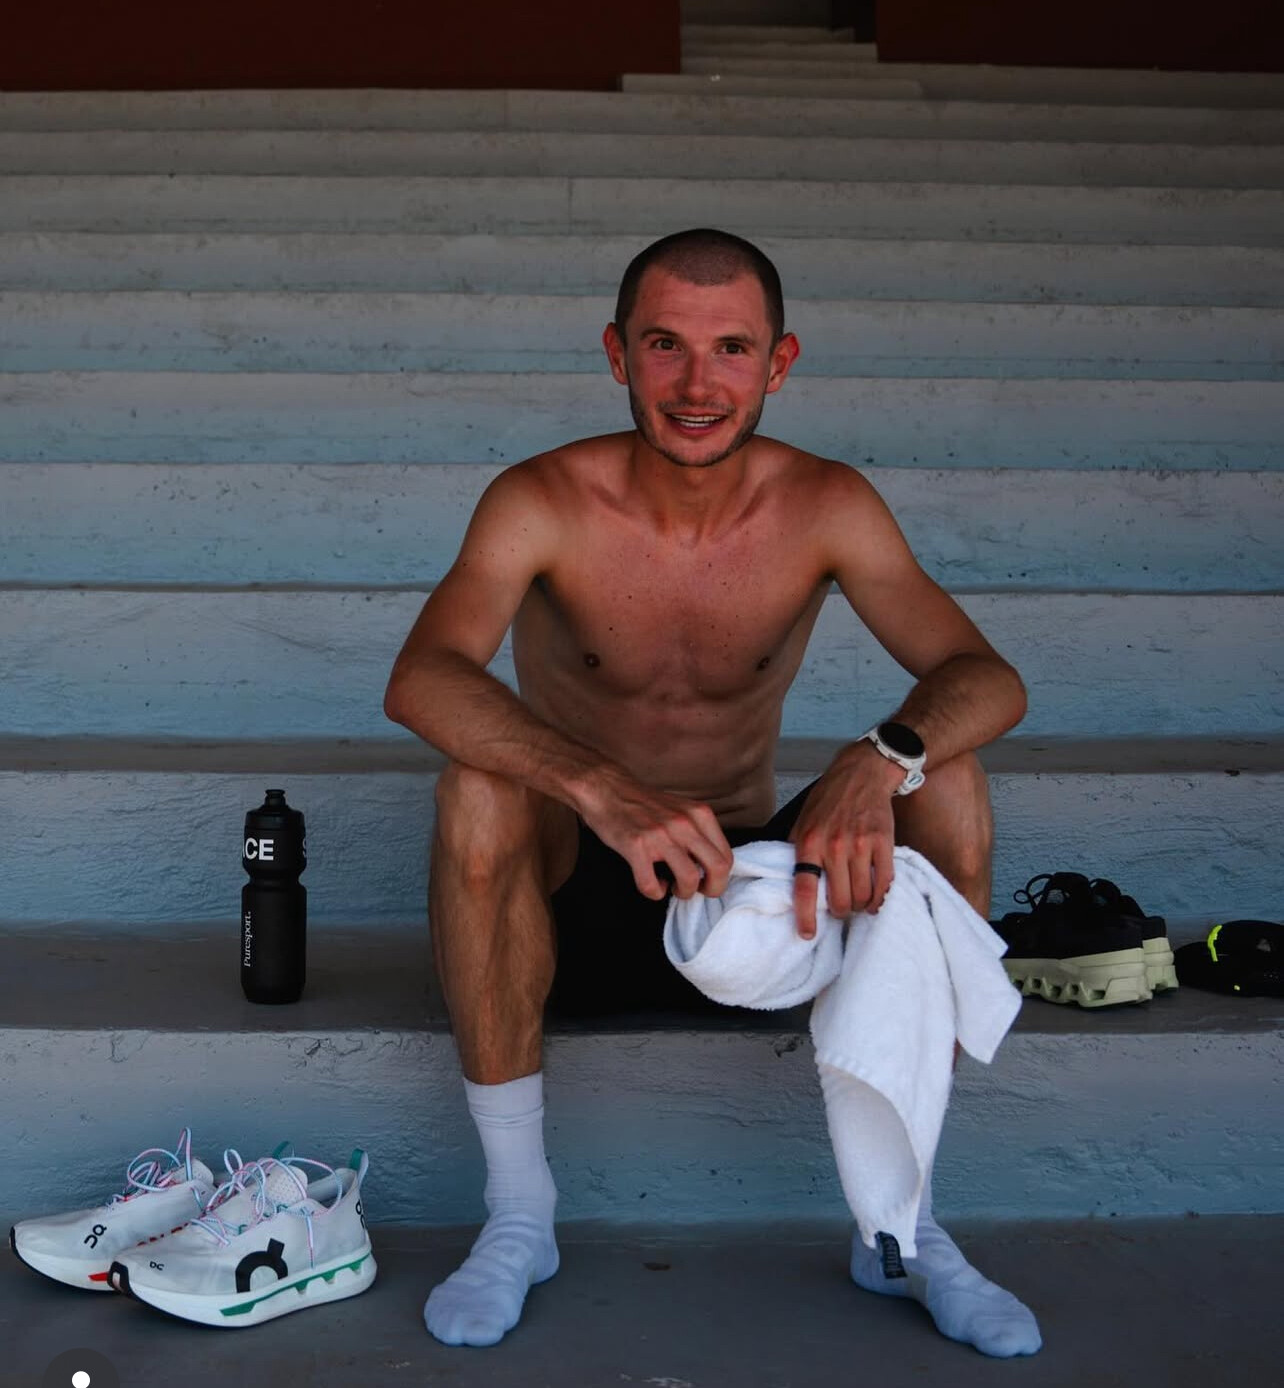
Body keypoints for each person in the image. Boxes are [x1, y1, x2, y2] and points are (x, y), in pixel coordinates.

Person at [383, 228, 1039, 1357]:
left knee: (950, 781)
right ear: (616, 354)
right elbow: (423, 676)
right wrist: (599, 785)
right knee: (477, 791)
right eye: (665, 346)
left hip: (766, 911)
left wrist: (875, 761)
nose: (698, 384)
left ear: (779, 361)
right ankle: (519, 1214)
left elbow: (986, 677)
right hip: (580, 904)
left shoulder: (826, 503)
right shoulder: (542, 499)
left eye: (731, 348)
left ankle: (904, 1221)